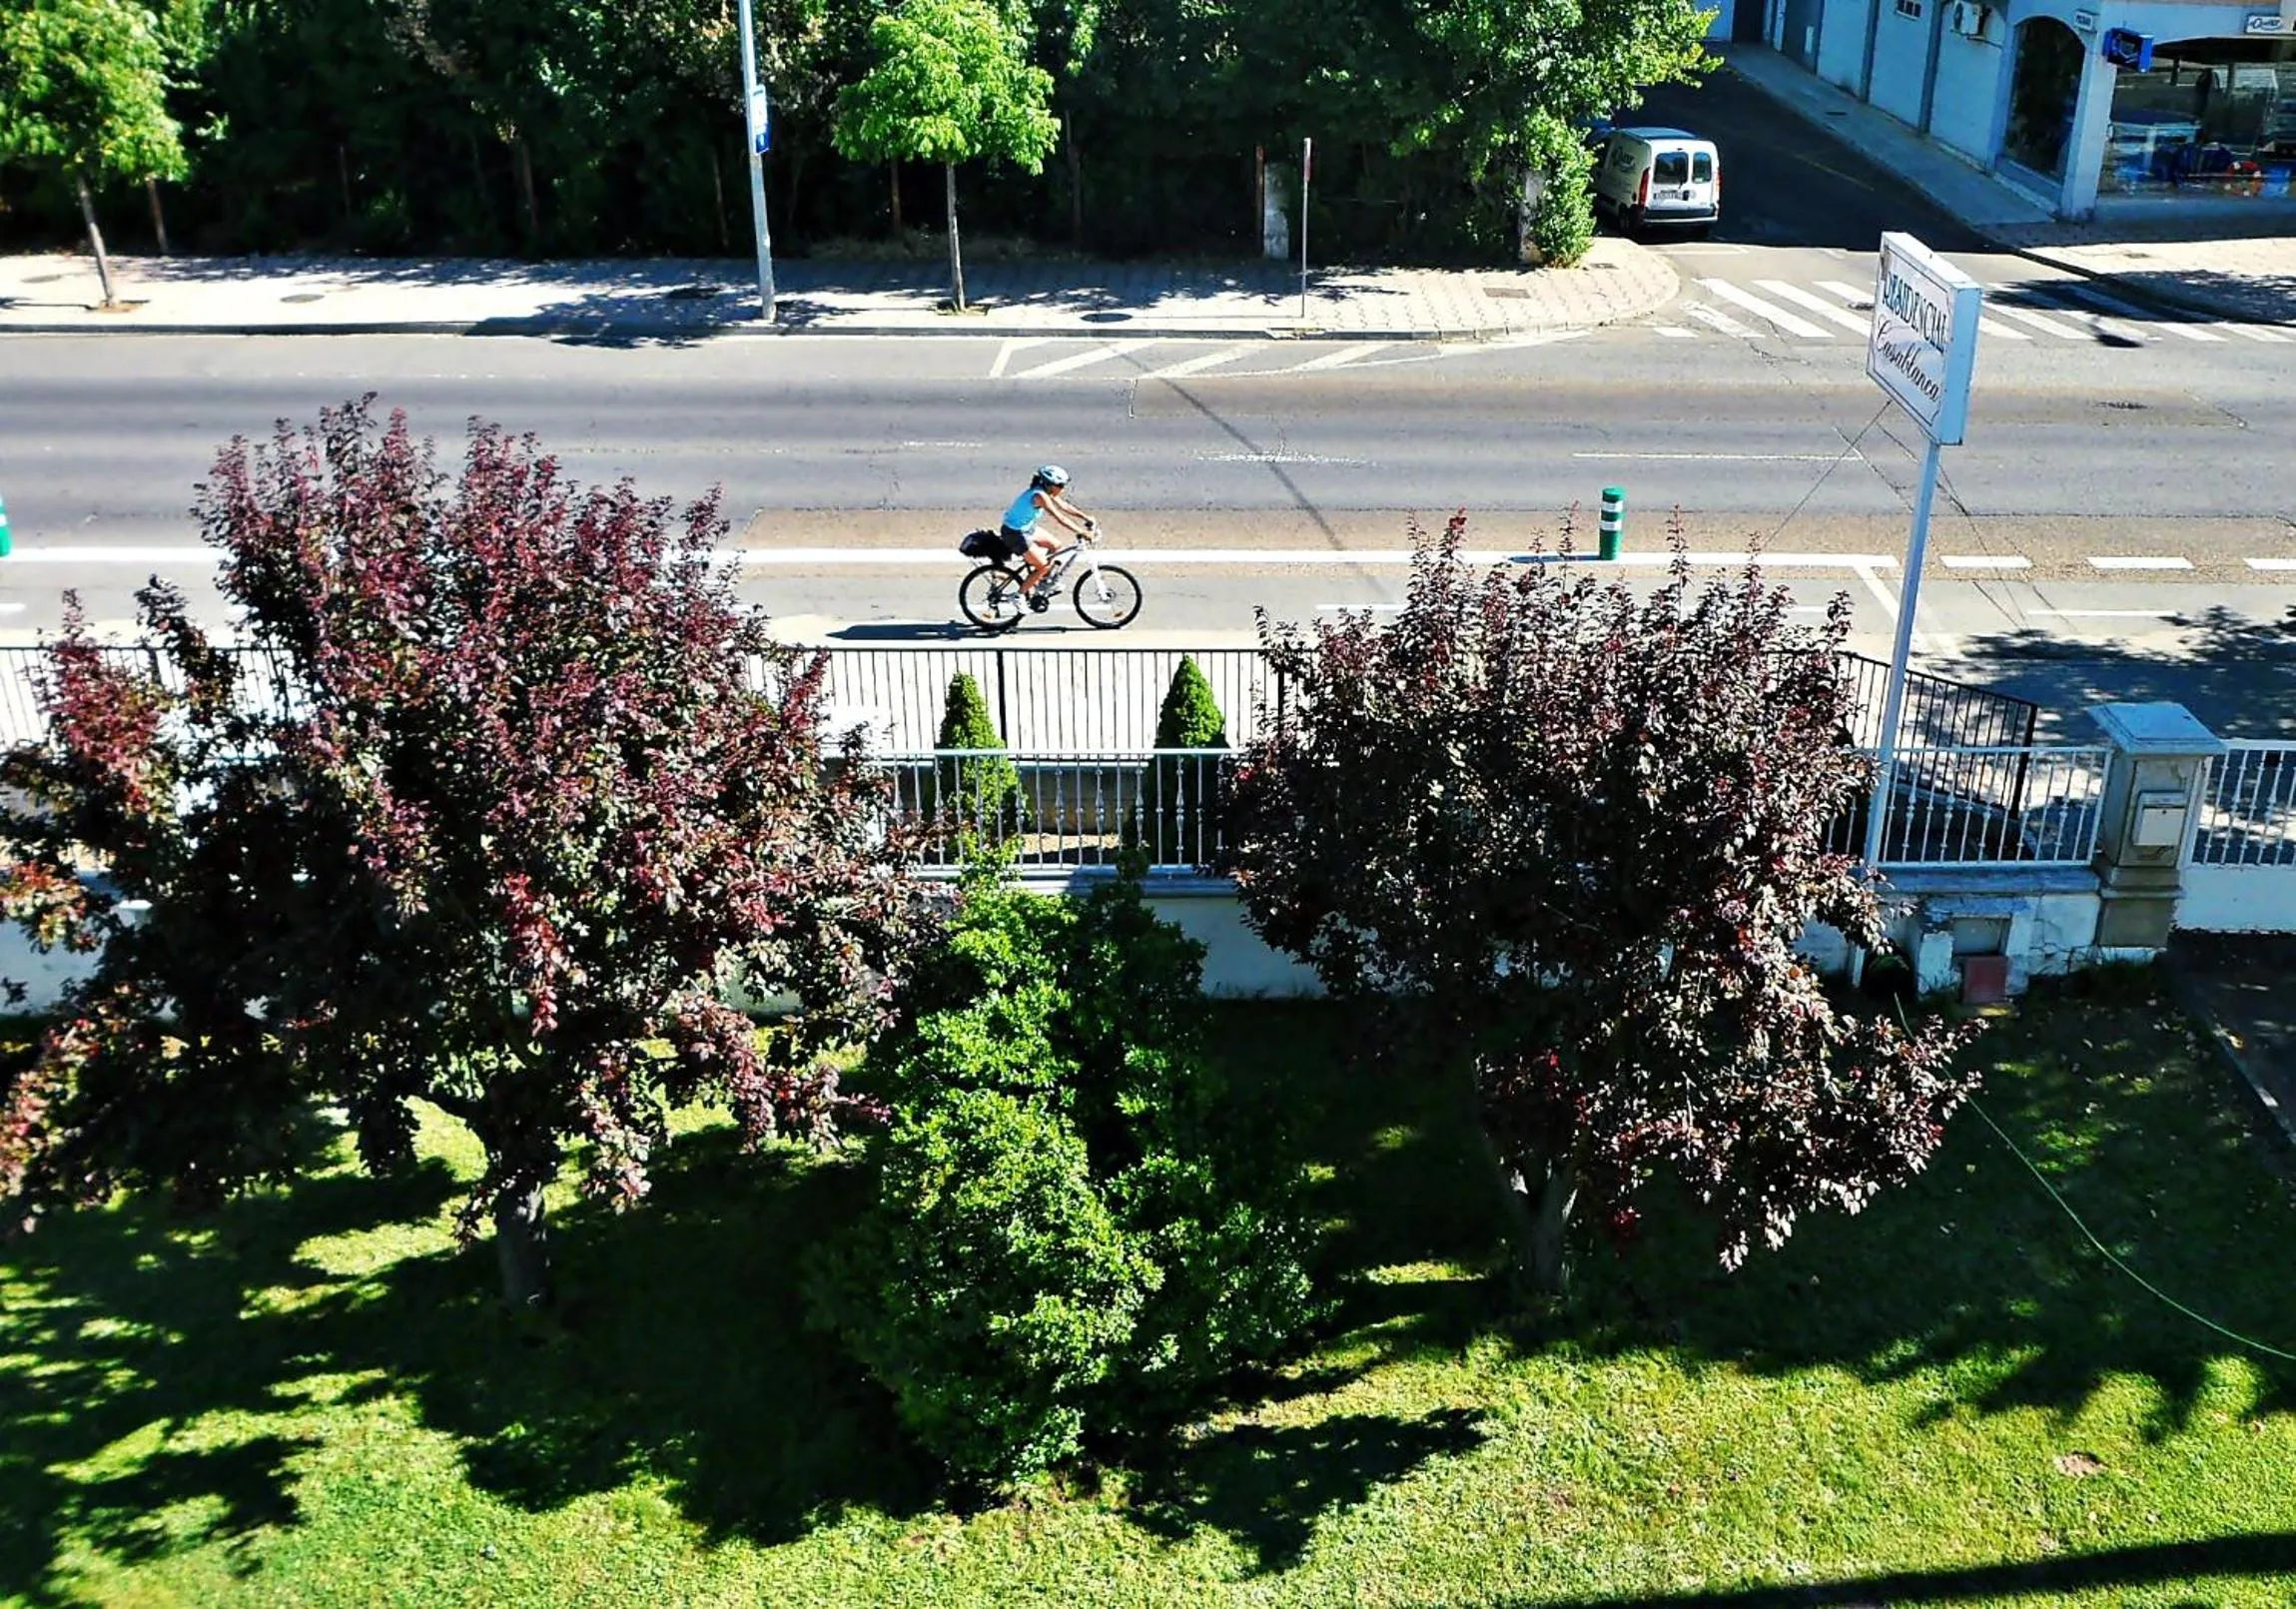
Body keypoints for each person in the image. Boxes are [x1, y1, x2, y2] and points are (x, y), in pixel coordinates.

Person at [1000, 464, 1097, 610]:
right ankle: (1019, 595)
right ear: (1050, 485)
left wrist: (1085, 517)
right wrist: (1082, 532)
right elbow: (1060, 518)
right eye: (1060, 485)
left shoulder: (1046, 492)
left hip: (1026, 528)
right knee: (1043, 565)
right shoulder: (1039, 496)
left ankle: (1044, 581)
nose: (1062, 488)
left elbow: (1064, 506)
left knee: (1056, 546)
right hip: (1015, 534)